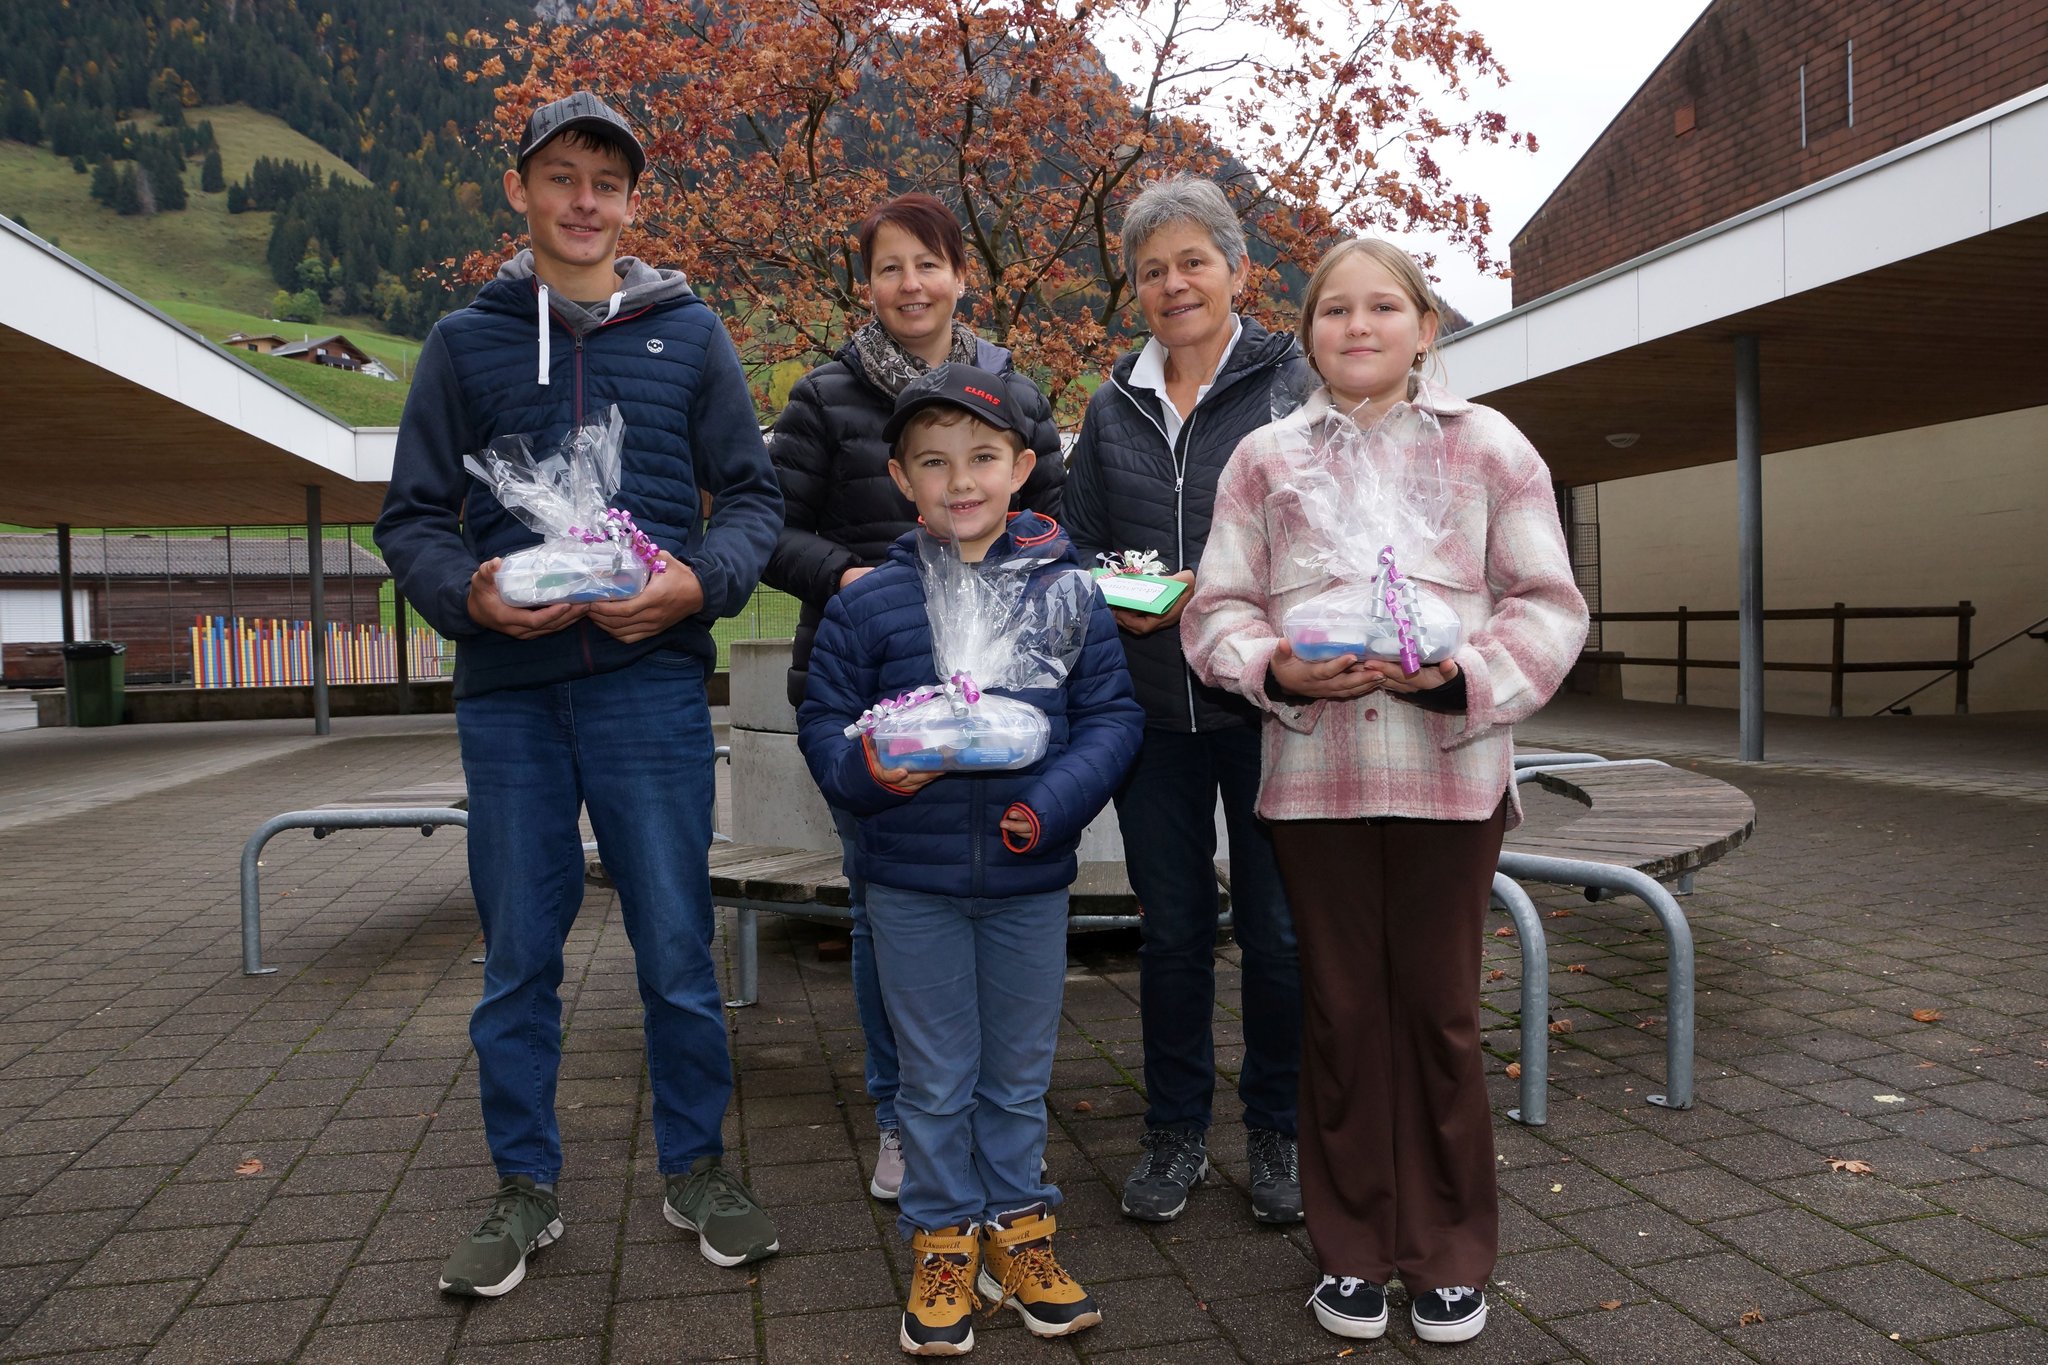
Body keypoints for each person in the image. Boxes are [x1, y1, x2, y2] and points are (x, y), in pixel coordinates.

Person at [375, 91, 785, 1297]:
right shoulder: (464, 342)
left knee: (675, 946)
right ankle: (523, 1184)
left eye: (606, 182)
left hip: (648, 688)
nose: (584, 201)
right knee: (517, 956)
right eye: (561, 176)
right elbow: (411, 518)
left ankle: (697, 1169)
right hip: (509, 696)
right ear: (521, 189)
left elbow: (750, 498)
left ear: (631, 203)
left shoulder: (689, 335)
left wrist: (696, 588)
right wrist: (469, 596)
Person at [1180, 237, 1589, 1345]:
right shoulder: (1265, 458)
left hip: (1450, 777)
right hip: (1314, 780)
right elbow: (1216, 610)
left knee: (1442, 1015)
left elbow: (1548, 603)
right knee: (1342, 1014)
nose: (1357, 327)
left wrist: (1464, 678)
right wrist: (1276, 669)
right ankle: (1353, 1249)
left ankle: (1448, 1252)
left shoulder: (1487, 446)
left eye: (1382, 308)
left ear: (1424, 328)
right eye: (1333, 311)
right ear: (1307, 334)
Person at [796, 365, 1143, 1356]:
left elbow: (1112, 719)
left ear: (1021, 467)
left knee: (1019, 1073)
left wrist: (1046, 808)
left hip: (1029, 877)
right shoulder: (870, 605)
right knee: (935, 1078)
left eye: (982, 458)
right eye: (934, 462)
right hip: (910, 883)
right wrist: (871, 772)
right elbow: (826, 727)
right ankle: (944, 1239)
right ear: (900, 478)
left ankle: (1020, 1230)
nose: (960, 481)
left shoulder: (1067, 594)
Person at [766, 192, 1064, 1203]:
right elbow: (768, 529)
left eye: (928, 263)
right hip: (871, 687)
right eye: (889, 267)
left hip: (1003, 700)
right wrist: (853, 580)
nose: (910, 284)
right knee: (880, 912)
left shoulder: (1012, 392)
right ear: (866, 286)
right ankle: (901, 1113)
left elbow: (1055, 525)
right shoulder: (822, 397)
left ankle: (993, 1118)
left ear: (960, 277)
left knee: (1004, 909)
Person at [1062, 175, 1314, 1226]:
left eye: (1193, 263)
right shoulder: (1110, 404)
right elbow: (1074, 540)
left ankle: (1278, 1130)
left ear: (1237, 271)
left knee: (1277, 932)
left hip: (1268, 707)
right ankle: (1172, 1132)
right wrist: (1114, 595)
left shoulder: (1292, 385)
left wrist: (1242, 603)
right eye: (1152, 270)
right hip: (1153, 713)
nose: (1173, 285)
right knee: (1169, 932)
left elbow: (1330, 532)